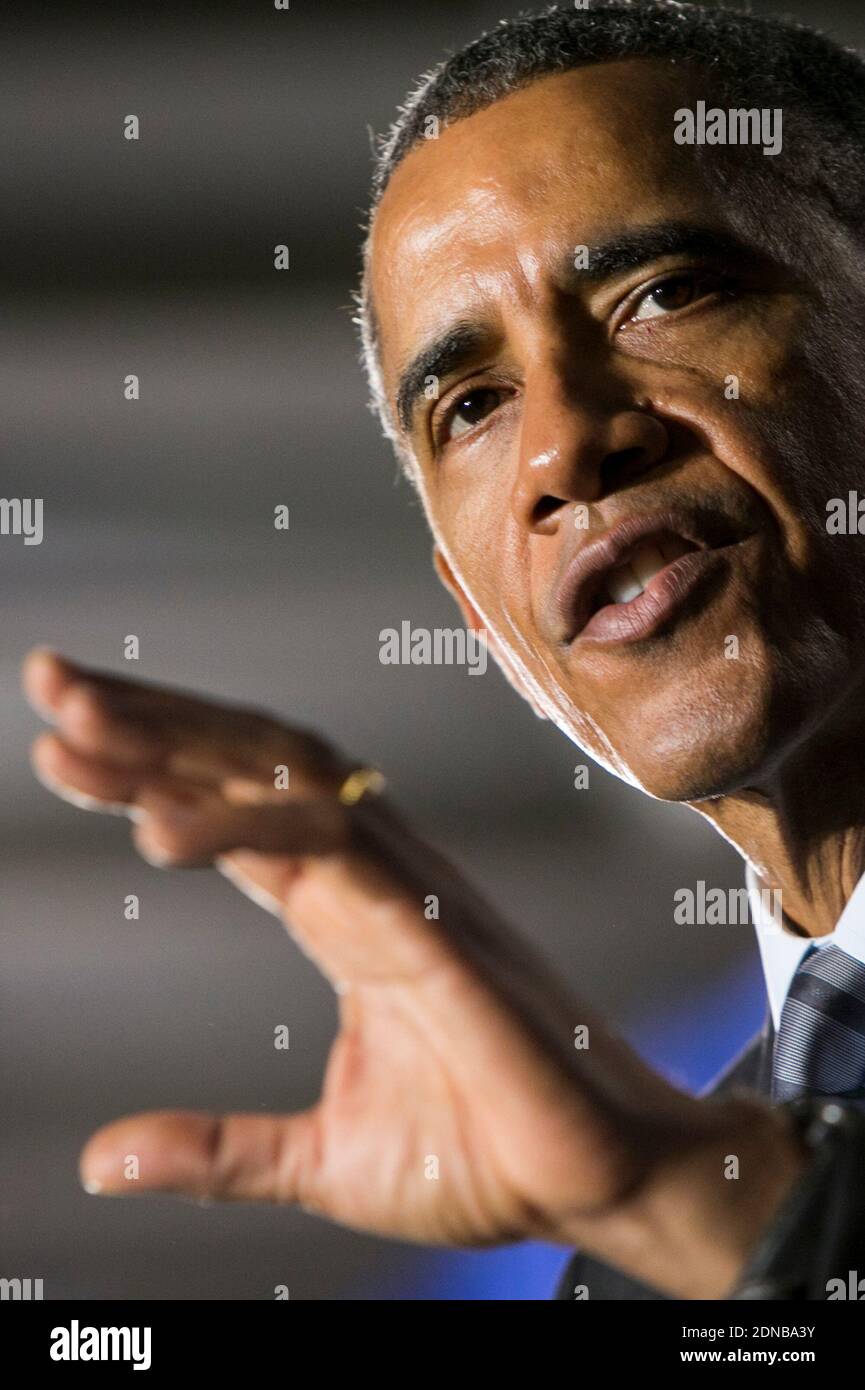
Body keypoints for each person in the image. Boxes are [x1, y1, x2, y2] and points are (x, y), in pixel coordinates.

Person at [22, 1, 865, 1299]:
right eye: (470, 404)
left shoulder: (677, 1203)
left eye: (664, 293)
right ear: (481, 619)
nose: (561, 447)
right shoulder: (644, 1248)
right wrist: (680, 1218)